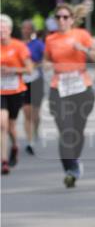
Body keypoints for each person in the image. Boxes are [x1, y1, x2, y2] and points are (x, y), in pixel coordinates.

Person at [44, 3, 95, 188]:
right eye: (58, 17)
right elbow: (46, 59)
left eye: (65, 17)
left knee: (77, 131)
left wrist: (83, 49)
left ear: (72, 19)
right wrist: (46, 65)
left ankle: (74, 159)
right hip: (59, 88)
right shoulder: (50, 39)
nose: (61, 20)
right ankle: (71, 169)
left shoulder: (82, 35)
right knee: (66, 131)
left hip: (81, 88)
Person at [0, 14, 33, 175]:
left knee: (11, 125)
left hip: (15, 90)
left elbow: (29, 69)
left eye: (3, 29)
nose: (1, 32)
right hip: (0, 92)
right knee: (2, 124)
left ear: (10, 30)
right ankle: (4, 161)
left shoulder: (18, 46)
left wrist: (12, 70)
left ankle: (14, 146)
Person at [20, 20, 45, 155]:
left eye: (29, 29)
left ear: (33, 31)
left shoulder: (38, 44)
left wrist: (36, 65)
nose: (26, 31)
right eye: (24, 28)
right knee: (26, 112)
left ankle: (36, 130)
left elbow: (46, 59)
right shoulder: (17, 45)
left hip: (36, 80)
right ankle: (30, 142)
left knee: (35, 114)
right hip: (23, 81)